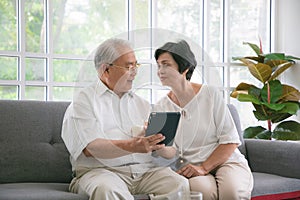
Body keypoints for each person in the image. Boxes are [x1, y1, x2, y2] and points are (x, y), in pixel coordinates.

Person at [61, 38, 190, 200]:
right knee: (106, 189)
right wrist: (134, 145)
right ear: (106, 70)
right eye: (128, 66)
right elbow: (91, 148)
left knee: (180, 185)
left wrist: (158, 144)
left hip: (144, 172)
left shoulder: (142, 105)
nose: (134, 72)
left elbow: (171, 152)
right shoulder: (83, 101)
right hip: (101, 172)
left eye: (136, 66)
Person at [153, 40, 253, 200]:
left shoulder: (210, 95)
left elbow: (230, 141)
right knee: (201, 193)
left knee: (231, 192)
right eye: (158, 66)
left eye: (166, 65)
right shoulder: (161, 107)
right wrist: (157, 145)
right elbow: (171, 152)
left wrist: (205, 167)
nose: (160, 71)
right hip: (191, 166)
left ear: (184, 68)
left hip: (227, 161)